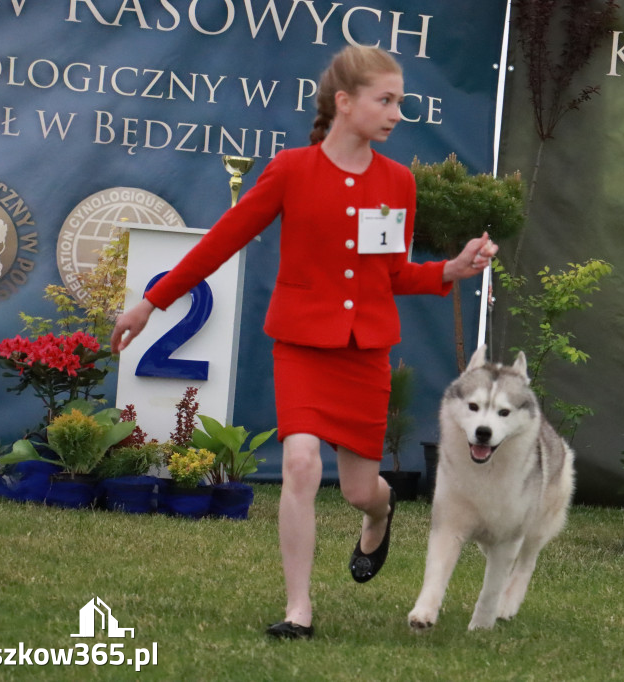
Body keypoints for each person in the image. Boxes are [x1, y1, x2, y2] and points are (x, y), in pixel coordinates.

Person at [110, 45, 498, 640]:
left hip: (364, 354)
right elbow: (223, 240)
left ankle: (380, 509)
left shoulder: (398, 182)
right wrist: (150, 302)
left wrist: (452, 268)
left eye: (399, 100)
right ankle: (299, 609)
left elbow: (392, 274)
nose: (397, 112)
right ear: (344, 103)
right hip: (300, 346)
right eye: (385, 100)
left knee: (358, 490)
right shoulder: (290, 169)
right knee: (298, 462)